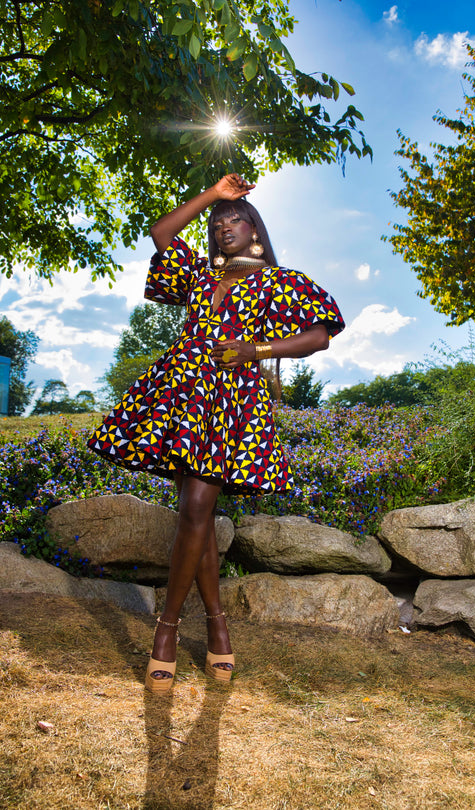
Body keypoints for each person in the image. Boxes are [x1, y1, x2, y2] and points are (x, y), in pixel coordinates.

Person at [88, 174, 345, 694]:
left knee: (197, 507)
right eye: (218, 223)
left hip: (231, 398)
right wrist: (213, 194)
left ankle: (167, 628)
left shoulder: (280, 281)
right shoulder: (200, 275)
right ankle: (216, 624)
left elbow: (320, 335)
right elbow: (162, 233)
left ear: (255, 231)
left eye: (235, 220)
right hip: (180, 393)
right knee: (196, 513)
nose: (225, 227)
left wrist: (257, 350)